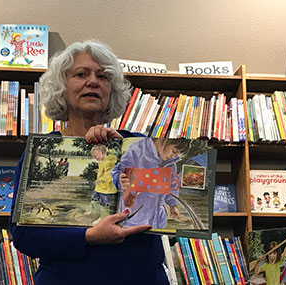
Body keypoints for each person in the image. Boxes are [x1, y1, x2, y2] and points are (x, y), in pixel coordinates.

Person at [10, 40, 169, 284]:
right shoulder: (41, 151)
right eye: (81, 74)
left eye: (103, 77)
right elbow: (23, 235)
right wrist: (87, 236)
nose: (93, 81)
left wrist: (125, 152)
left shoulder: (139, 145)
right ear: (62, 87)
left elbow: (165, 205)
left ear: (111, 90)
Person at [111, 137, 190, 229]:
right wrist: (120, 181)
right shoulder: (137, 150)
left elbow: (172, 185)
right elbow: (118, 170)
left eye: (177, 154)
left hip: (158, 218)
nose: (173, 156)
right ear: (164, 140)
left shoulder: (171, 163)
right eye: (174, 151)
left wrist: (172, 205)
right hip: (135, 216)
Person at [90, 144, 118, 218]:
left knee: (104, 202)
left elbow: (109, 173)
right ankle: (95, 213)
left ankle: (103, 218)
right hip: (100, 187)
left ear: (102, 152)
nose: (96, 158)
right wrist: (99, 171)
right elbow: (104, 170)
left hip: (106, 188)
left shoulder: (108, 162)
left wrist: (102, 179)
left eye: (96, 156)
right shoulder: (103, 162)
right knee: (94, 198)